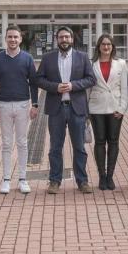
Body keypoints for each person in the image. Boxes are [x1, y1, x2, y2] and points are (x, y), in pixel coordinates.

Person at [35, 26, 97, 194]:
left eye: (67, 37)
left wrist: (73, 85)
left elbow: (91, 79)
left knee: (79, 147)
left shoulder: (82, 57)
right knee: (55, 147)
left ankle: (82, 181)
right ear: (57, 39)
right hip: (56, 110)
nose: (64, 40)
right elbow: (39, 79)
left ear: (72, 39)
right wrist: (55, 87)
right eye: (61, 37)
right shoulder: (48, 58)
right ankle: (54, 181)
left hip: (77, 109)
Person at [0, 25, 39, 194]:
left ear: (20, 39)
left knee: (22, 143)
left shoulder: (27, 58)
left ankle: (23, 179)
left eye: (15, 37)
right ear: (5, 39)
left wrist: (35, 104)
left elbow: (33, 82)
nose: (13, 40)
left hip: (23, 105)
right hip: (3, 104)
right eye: (10, 37)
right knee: (7, 144)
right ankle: (6, 179)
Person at [88, 34, 128, 191]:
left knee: (113, 141)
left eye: (109, 44)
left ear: (113, 47)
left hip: (115, 109)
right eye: (103, 44)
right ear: (98, 46)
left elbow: (124, 88)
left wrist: (122, 108)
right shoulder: (92, 64)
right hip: (96, 108)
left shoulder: (121, 64)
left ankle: (110, 176)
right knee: (99, 141)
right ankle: (102, 176)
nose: (106, 47)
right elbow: (87, 89)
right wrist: (86, 109)